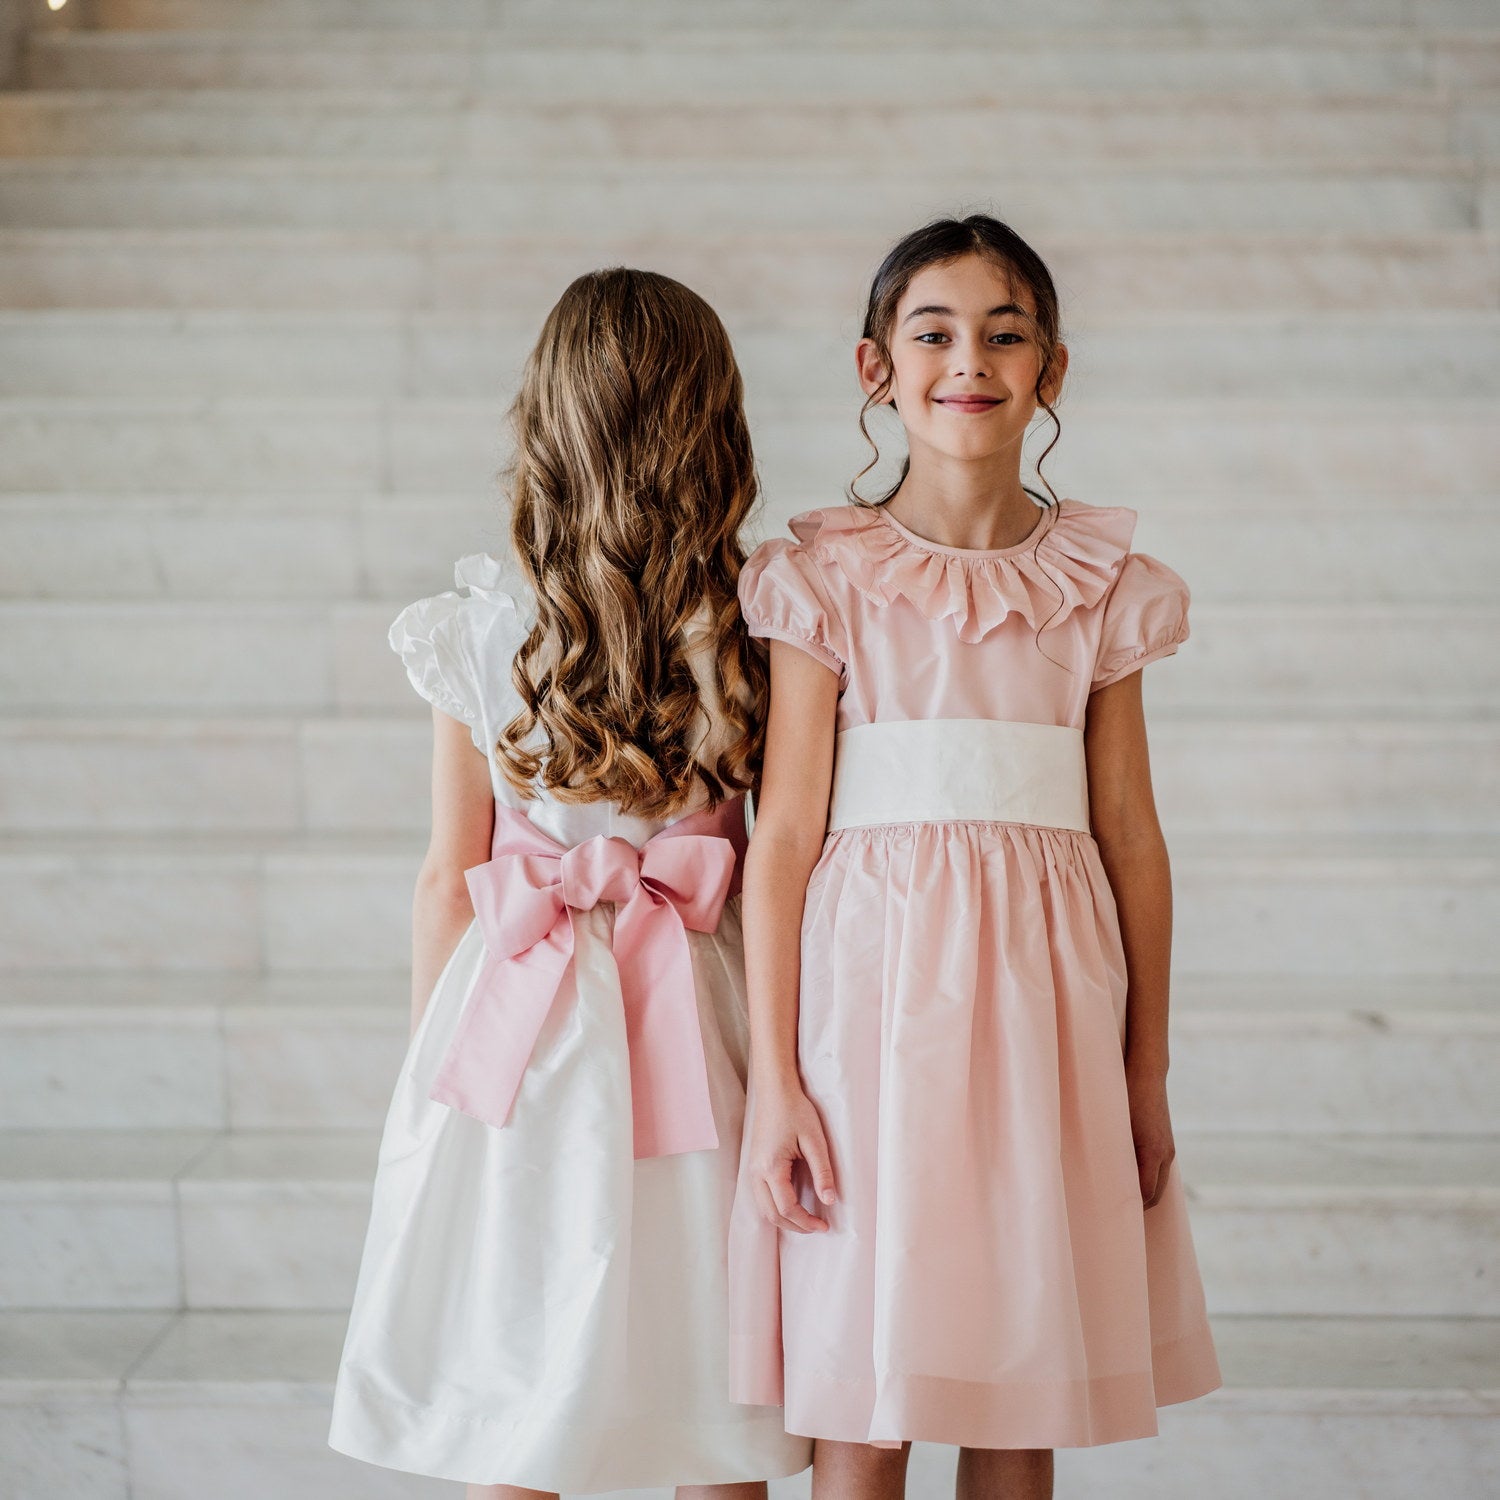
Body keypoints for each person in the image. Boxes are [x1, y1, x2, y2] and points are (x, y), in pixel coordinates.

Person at [727, 215, 1223, 1500]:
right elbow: (783, 836)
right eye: (933, 333)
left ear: (1051, 370)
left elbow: (1133, 839)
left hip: (1045, 1015)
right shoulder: (823, 578)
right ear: (874, 369)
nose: (970, 361)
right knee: (867, 1389)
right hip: (866, 1018)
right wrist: (776, 1079)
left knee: (1019, 1375)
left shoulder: (1104, 586)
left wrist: (1146, 1070)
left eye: (1007, 335)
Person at [328, 268, 812, 1498]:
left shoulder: (483, 630)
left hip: (525, 1022)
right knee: (714, 1374)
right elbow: (782, 856)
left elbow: (452, 875)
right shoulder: (760, 622)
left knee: (517, 1368)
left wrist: (434, 1078)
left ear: (545, 424)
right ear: (716, 425)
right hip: (700, 1013)